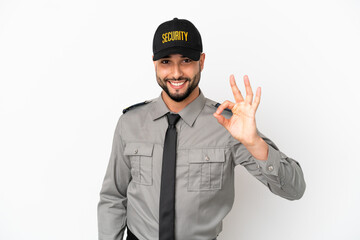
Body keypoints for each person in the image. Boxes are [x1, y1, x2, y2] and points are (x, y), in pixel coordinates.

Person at [97, 18, 306, 240]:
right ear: (154, 63)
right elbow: (113, 197)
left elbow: (294, 190)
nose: (176, 73)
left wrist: (254, 142)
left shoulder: (228, 125)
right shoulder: (130, 123)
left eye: (186, 60)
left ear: (202, 61)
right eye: (166, 62)